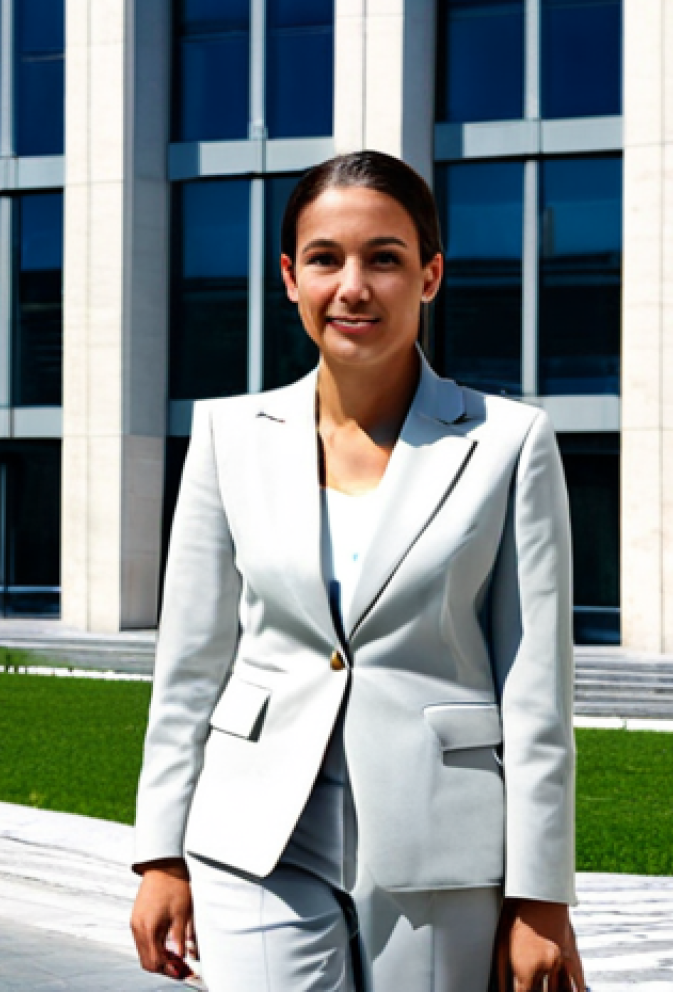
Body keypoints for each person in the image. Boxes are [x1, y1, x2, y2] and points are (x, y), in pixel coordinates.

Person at [130, 150, 585, 992]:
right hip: (255, 836)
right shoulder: (228, 437)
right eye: (325, 258)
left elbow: (536, 691)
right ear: (289, 276)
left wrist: (541, 898)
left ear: (430, 275)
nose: (354, 285)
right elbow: (189, 664)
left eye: (385, 258)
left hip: (438, 846)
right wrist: (160, 850)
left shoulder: (509, 444)